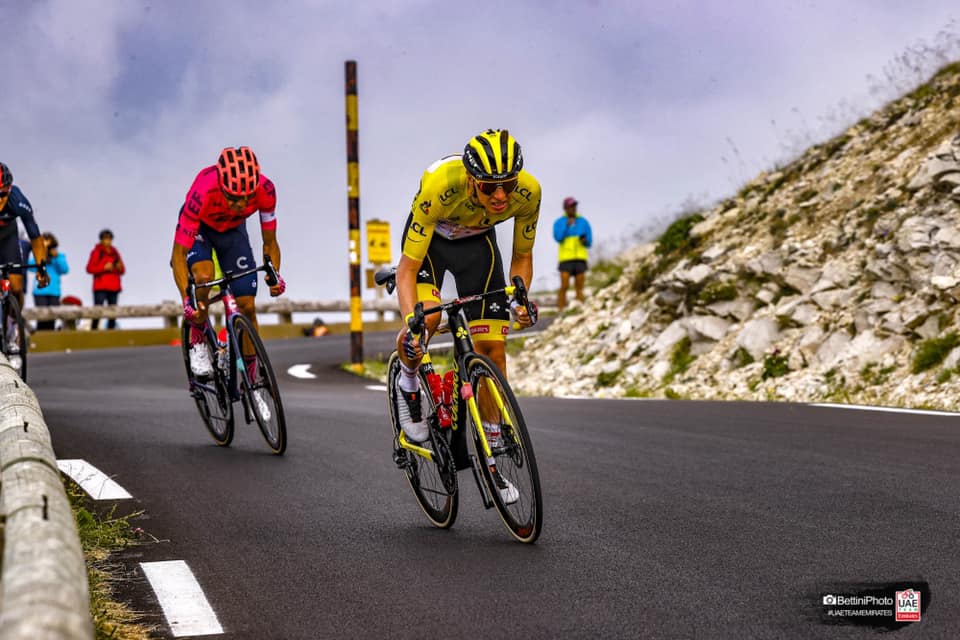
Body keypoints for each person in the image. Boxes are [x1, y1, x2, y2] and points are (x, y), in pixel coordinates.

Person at [393, 129, 540, 504]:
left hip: (478, 247)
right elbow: (407, 269)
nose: (501, 196)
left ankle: (491, 446)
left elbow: (522, 256)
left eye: (507, 184)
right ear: (472, 179)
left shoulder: (529, 193)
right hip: (431, 248)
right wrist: (412, 320)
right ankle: (407, 384)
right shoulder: (440, 187)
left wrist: (521, 297)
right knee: (425, 321)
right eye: (490, 188)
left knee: (492, 348)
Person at [170, 146, 285, 414]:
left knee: (247, 304)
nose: (241, 205)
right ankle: (198, 338)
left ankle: (253, 378)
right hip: (200, 230)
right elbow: (178, 255)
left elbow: (270, 242)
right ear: (222, 186)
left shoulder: (266, 190)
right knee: (203, 277)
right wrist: (187, 300)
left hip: (232, 233)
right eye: (234, 198)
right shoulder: (202, 191)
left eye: (246, 198)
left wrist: (274, 274)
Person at [0, 163, 49, 369]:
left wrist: (41, 267)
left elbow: (36, 238)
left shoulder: (18, 201)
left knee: (17, 286)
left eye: (2, 194)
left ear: (9, 190)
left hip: (7, 237)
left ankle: (13, 333)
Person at [552, 196, 592, 311]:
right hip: (565, 258)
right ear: (565, 208)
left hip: (580, 257)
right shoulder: (559, 222)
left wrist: (585, 241)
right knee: (564, 286)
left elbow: (589, 241)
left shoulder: (583, 222)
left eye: (574, 206)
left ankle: (580, 309)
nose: (573, 208)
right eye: (570, 206)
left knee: (579, 287)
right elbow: (558, 237)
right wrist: (566, 225)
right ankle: (560, 310)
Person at [86, 229, 125, 329]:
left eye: (109, 239)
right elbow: (89, 268)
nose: (108, 241)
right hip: (100, 287)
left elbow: (123, 270)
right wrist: (104, 268)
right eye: (105, 239)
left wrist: (118, 267)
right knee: (97, 312)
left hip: (114, 287)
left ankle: (111, 331)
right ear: (101, 239)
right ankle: (94, 331)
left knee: (112, 313)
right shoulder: (96, 252)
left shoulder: (115, 253)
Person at [30, 232, 69, 330]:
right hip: (40, 291)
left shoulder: (59, 256)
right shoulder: (38, 255)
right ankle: (40, 337)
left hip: (54, 292)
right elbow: (31, 266)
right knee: (41, 317)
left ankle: (50, 336)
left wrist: (56, 257)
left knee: (52, 317)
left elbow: (64, 270)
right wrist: (42, 253)